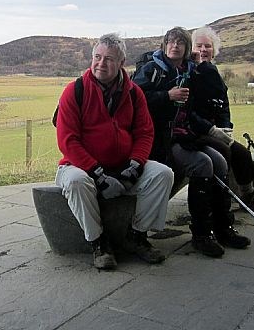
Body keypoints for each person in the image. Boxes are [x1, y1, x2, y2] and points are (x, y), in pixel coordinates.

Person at [55, 32, 174, 270]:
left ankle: (137, 236)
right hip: (80, 167)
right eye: (97, 57)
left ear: (121, 64)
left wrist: (135, 166)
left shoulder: (133, 93)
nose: (101, 63)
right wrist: (97, 174)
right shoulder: (74, 91)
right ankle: (98, 242)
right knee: (76, 183)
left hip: (123, 165)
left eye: (109, 59)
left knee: (163, 174)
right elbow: (67, 140)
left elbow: (144, 133)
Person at [133, 27, 251, 258]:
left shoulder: (186, 72)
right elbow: (134, 100)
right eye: (171, 42)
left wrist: (211, 130)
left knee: (220, 161)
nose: (175, 46)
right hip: (161, 140)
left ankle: (222, 227)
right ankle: (201, 234)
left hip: (184, 134)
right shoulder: (152, 70)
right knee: (202, 164)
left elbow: (189, 111)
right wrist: (166, 96)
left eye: (180, 43)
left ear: (187, 49)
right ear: (164, 45)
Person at [191, 26, 254, 215]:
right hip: (196, 131)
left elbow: (223, 105)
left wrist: (226, 128)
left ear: (214, 50)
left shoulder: (213, 72)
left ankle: (248, 196)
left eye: (208, 46)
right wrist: (211, 130)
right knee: (223, 153)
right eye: (199, 45)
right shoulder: (190, 73)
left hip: (216, 130)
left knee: (242, 154)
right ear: (192, 48)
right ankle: (218, 206)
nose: (203, 50)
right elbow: (188, 111)